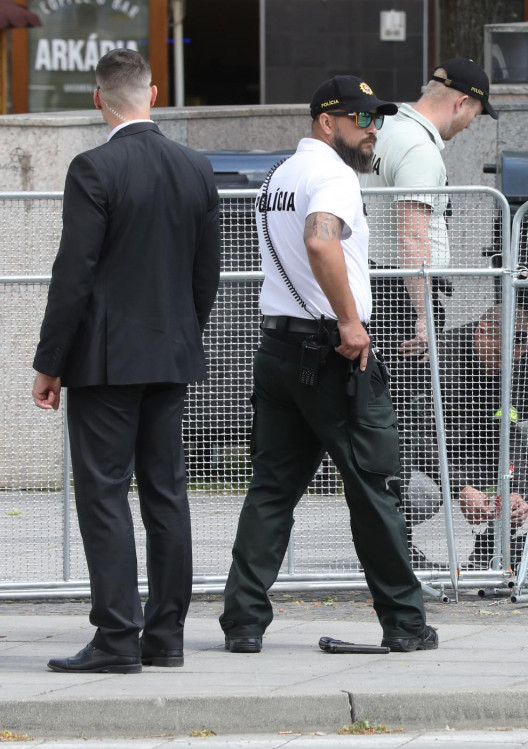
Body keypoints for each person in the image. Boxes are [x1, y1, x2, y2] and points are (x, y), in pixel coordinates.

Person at [218, 75, 436, 654]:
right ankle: (405, 623)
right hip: (333, 355)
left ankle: (242, 622)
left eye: (378, 121)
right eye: (362, 120)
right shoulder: (332, 176)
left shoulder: (280, 175)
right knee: (375, 487)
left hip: (280, 351)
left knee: (271, 489)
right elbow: (321, 242)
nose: (372, 132)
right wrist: (348, 322)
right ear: (327, 122)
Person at [32, 49, 221, 673]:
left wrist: (49, 361)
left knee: (104, 494)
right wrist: (183, 336)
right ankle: (164, 636)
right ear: (154, 93)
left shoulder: (94, 168)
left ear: (97, 99)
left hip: (106, 361)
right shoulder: (196, 168)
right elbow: (206, 274)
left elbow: (74, 274)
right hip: (171, 354)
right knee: (167, 494)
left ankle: (117, 636)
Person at [360, 57, 497, 399]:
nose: (469, 125)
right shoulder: (420, 148)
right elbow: (413, 234)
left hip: (370, 282)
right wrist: (423, 316)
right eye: (475, 115)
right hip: (402, 296)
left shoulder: (387, 127)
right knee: (403, 406)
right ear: (461, 102)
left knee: (371, 400)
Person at [401, 305, 528, 568]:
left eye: (513, 359)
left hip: (475, 452)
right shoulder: (437, 356)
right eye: (500, 355)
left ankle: (494, 545)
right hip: (424, 460)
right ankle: (394, 549)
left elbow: (507, 429)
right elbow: (413, 438)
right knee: (423, 493)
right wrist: (461, 489)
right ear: (482, 332)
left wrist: (514, 489)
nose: (506, 364)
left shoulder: (510, 360)